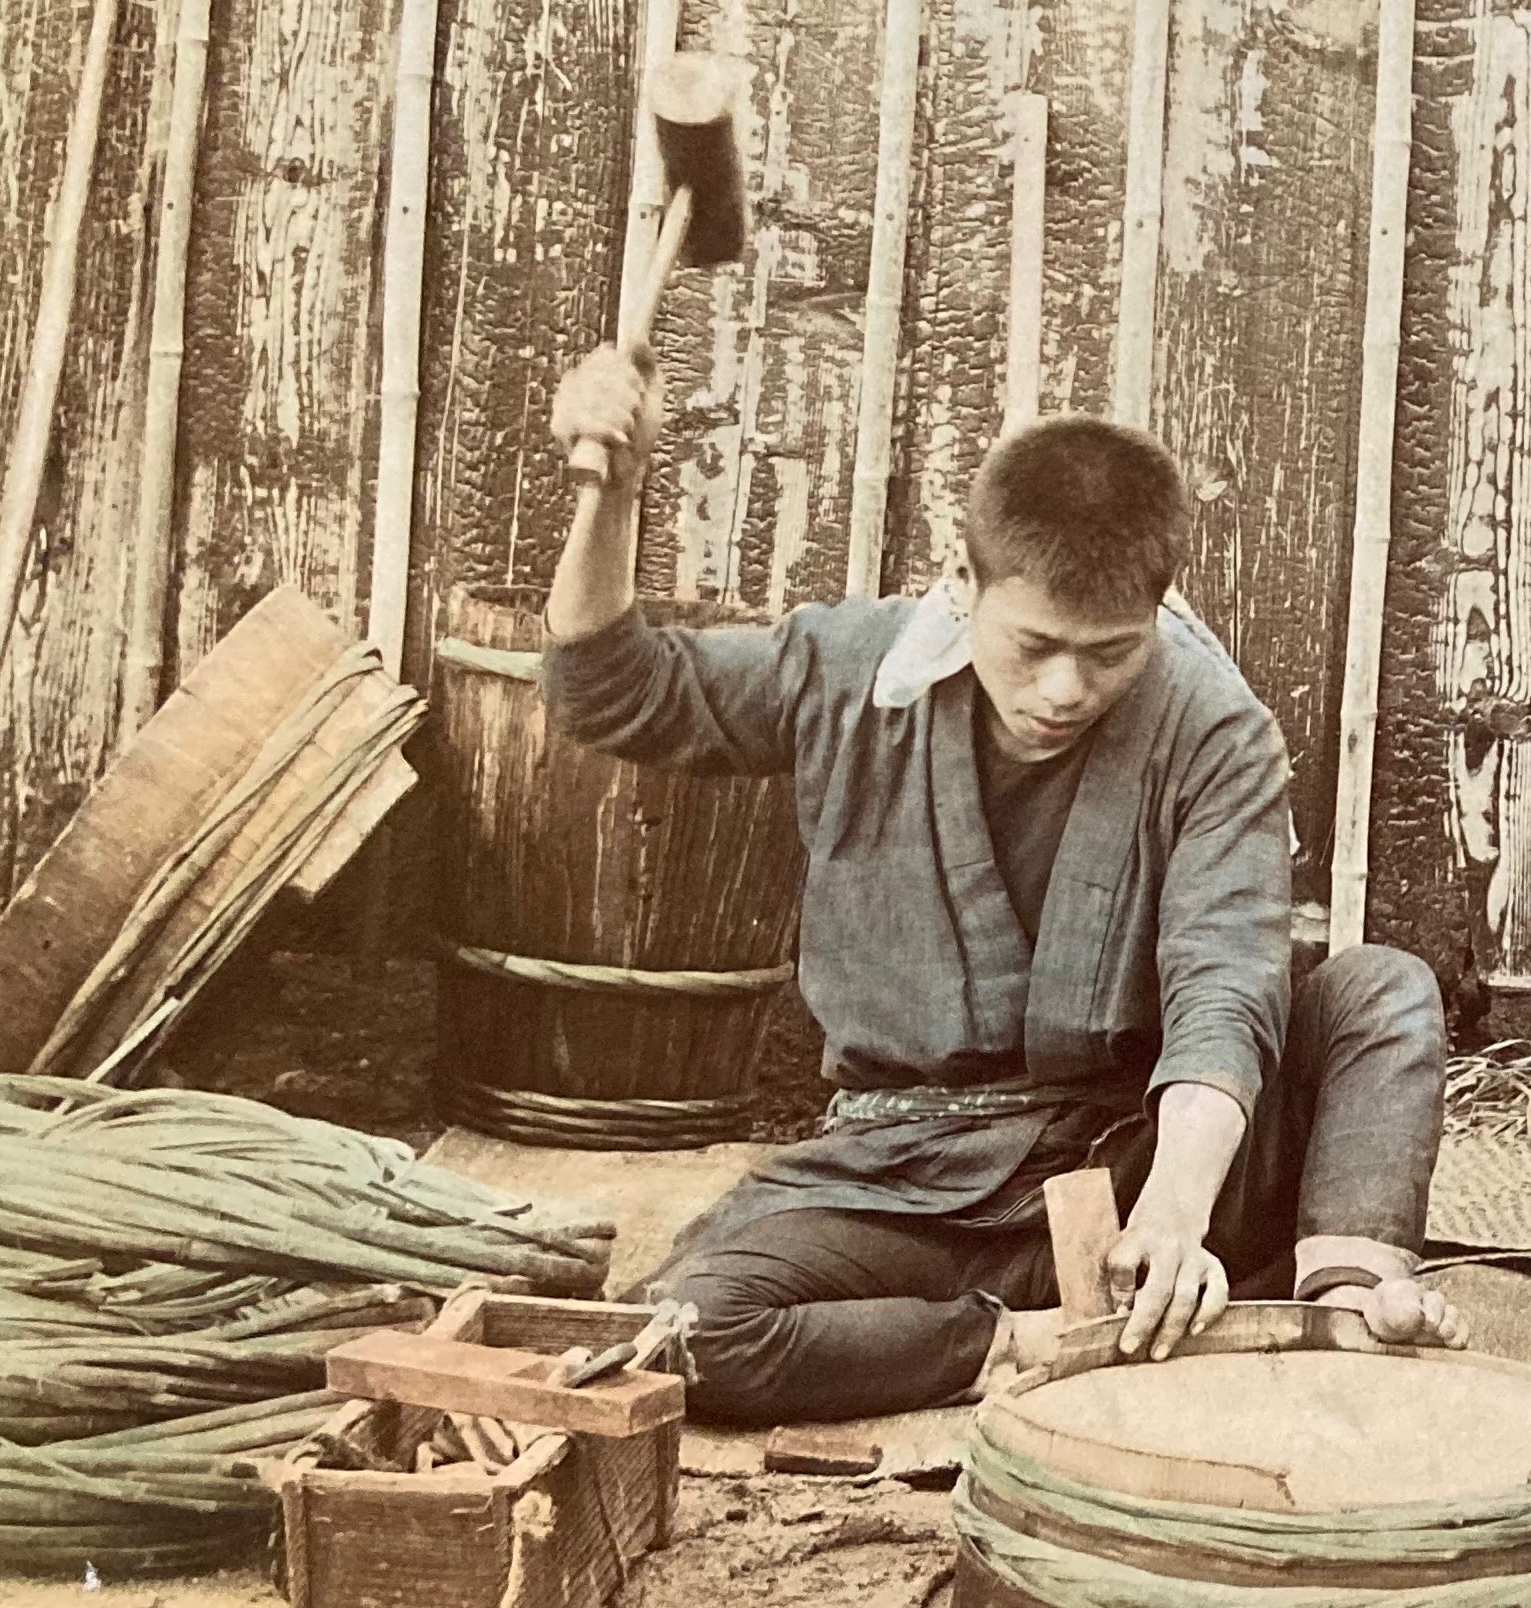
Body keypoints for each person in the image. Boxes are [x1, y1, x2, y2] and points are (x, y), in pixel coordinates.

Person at [539, 346, 1462, 1425]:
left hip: (1140, 1162)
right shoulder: (847, 670)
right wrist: (613, 496)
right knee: (685, 1329)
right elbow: (615, 691)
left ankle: (1346, 1301)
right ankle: (1029, 1341)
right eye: (1034, 645)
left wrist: (1169, 1209)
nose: (1066, 688)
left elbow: (1226, 983)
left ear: (1157, 611)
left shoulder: (1213, 726)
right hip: (907, 1178)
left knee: (1379, 991)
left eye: (1110, 653)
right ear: (963, 582)